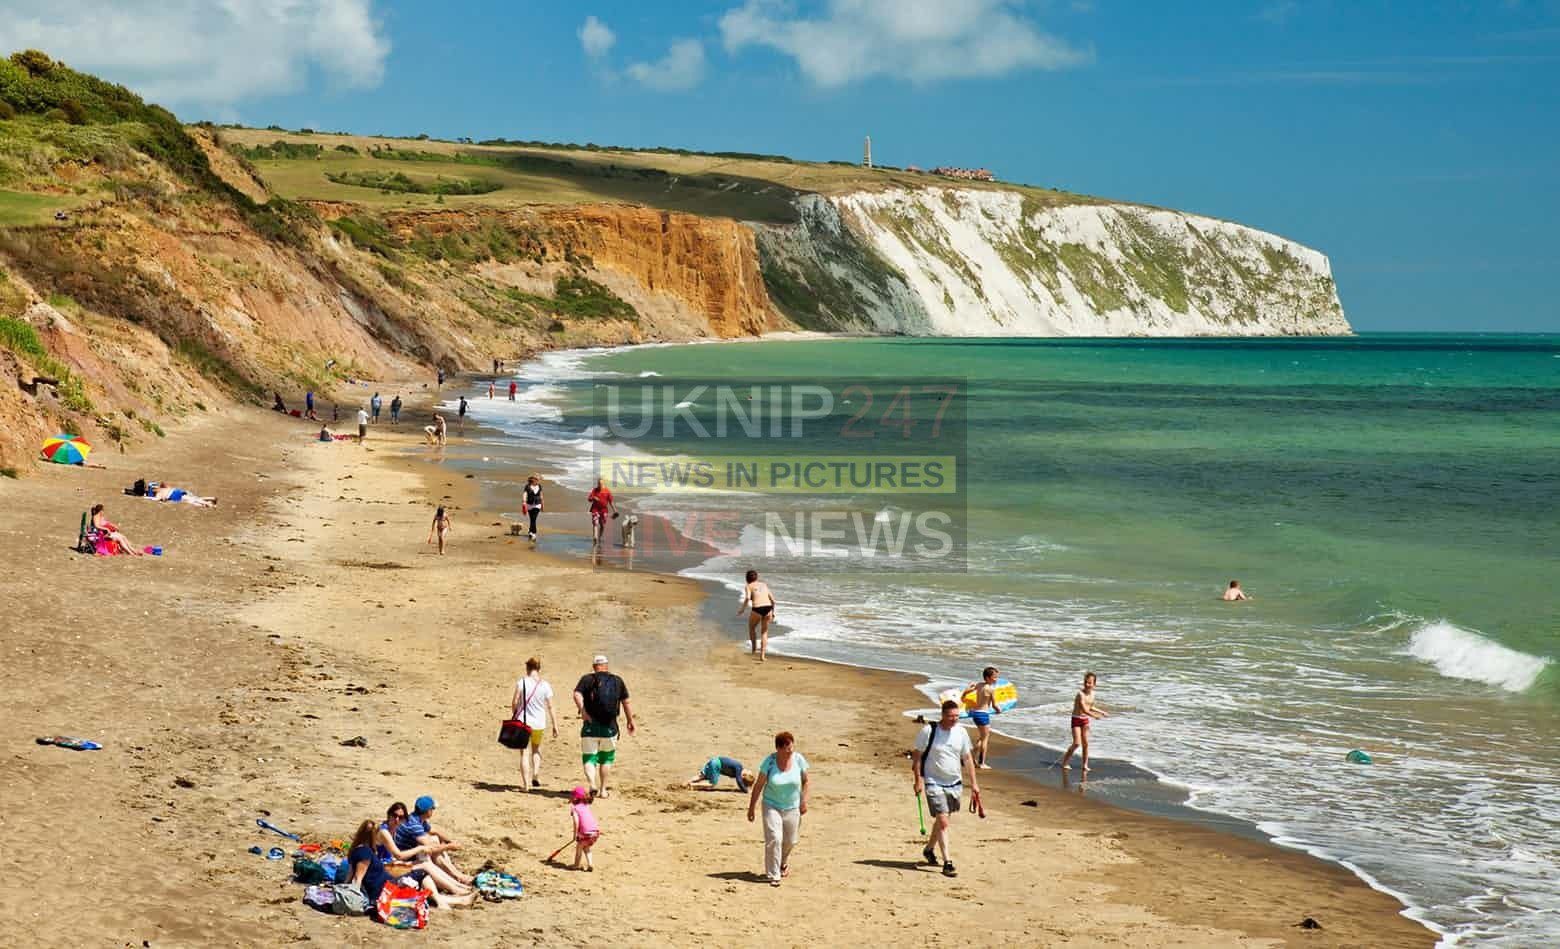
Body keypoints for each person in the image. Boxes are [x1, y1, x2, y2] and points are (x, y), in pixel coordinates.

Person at [912, 699, 980, 878]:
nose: (954, 720)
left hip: (954, 783)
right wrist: (918, 780)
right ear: (942, 715)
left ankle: (928, 849)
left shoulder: (962, 732)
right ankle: (947, 862)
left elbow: (967, 759)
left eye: (957, 716)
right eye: (950, 716)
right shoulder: (929, 731)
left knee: (942, 821)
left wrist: (974, 784)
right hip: (933, 781)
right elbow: (917, 757)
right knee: (943, 821)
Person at [348, 819, 471, 911]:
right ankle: (444, 901)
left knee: (417, 894)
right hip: (383, 891)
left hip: (386, 886)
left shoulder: (359, 851)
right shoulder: (364, 853)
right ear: (372, 836)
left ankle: (460, 900)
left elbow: (349, 876)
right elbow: (357, 879)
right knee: (422, 874)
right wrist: (353, 900)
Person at [747, 731, 809, 887]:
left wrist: (803, 801)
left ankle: (783, 862)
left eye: (791, 746)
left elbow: (806, 781)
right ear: (778, 749)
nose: (790, 751)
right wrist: (751, 807)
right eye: (787, 748)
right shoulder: (769, 762)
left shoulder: (799, 760)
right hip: (771, 804)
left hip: (792, 806)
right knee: (775, 838)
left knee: (790, 841)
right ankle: (773, 874)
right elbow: (759, 785)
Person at [376, 802, 472, 897]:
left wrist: (449, 842)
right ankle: (456, 887)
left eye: (400, 817)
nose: (397, 820)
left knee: (428, 857)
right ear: (389, 815)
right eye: (394, 815)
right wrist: (422, 848)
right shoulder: (385, 831)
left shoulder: (395, 827)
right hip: (386, 868)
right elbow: (399, 855)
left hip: (392, 863)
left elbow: (434, 833)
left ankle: (457, 885)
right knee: (425, 864)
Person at [573, 655, 635, 799]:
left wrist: (583, 711)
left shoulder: (587, 679)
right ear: (607, 666)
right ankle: (603, 790)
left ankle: (592, 784)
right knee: (606, 759)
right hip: (610, 727)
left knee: (589, 758)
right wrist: (630, 721)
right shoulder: (617, 681)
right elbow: (626, 702)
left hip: (590, 726)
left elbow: (576, 694)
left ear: (594, 667)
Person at [395, 796, 474, 886]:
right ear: (428, 811)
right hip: (406, 856)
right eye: (432, 809)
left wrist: (450, 841)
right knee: (435, 848)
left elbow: (434, 831)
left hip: (411, 849)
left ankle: (454, 873)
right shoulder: (414, 826)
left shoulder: (416, 817)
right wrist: (449, 846)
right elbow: (432, 849)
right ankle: (456, 876)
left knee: (435, 839)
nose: (433, 811)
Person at [511, 657, 558, 790]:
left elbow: (514, 702)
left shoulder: (522, 683)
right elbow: (550, 706)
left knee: (524, 753)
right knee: (536, 749)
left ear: (527, 669)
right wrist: (555, 725)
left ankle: (526, 785)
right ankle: (536, 775)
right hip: (539, 723)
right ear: (539, 669)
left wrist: (515, 714)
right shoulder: (545, 685)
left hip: (524, 722)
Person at [1059, 671, 1109, 773]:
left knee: (1086, 743)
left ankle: (1085, 765)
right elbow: (1084, 709)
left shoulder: (1093, 694)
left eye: (1090, 683)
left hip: (1085, 720)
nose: (1087, 684)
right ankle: (1065, 762)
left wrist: (1102, 712)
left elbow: (1090, 707)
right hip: (1076, 719)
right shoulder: (1080, 694)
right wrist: (1094, 716)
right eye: (1086, 682)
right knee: (1077, 743)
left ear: (1094, 684)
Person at [965, 666, 1002, 769]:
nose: (996, 679)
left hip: (975, 714)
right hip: (983, 715)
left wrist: (968, 687)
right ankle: (982, 763)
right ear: (988, 677)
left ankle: (972, 757)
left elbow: (967, 691)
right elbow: (994, 705)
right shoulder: (991, 689)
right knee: (985, 739)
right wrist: (998, 710)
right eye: (994, 677)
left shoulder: (979, 685)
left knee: (982, 737)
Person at [737, 570, 777, 662]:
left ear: (747, 579)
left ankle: (754, 649)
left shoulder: (748, 586)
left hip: (757, 608)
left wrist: (742, 609)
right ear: (757, 577)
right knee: (764, 632)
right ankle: (762, 656)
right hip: (768, 608)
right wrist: (773, 612)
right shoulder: (764, 585)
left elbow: (747, 598)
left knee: (751, 628)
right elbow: (773, 600)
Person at [569, 786, 600, 871]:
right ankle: (590, 864)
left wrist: (575, 835)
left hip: (585, 833)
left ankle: (576, 865)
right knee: (586, 847)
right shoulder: (586, 806)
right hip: (595, 832)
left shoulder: (575, 808)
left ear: (575, 798)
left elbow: (576, 822)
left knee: (579, 847)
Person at [688, 755, 753, 791]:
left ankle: (687, 783)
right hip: (716, 764)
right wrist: (745, 790)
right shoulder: (739, 767)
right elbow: (739, 781)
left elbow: (739, 780)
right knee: (712, 784)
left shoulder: (738, 771)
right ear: (744, 775)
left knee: (701, 776)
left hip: (714, 760)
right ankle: (692, 785)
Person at [587, 478, 617, 547]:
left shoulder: (607, 491)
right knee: (595, 523)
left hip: (604, 510)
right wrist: (593, 497)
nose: (600, 485)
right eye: (599, 484)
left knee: (602, 525)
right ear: (597, 484)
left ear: (603, 484)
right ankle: (595, 537)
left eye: (601, 484)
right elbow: (589, 499)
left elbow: (611, 502)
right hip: (595, 509)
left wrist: (615, 511)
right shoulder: (595, 490)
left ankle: (599, 538)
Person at [522, 475, 543, 540]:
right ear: (533, 479)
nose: (538, 481)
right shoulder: (527, 486)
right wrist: (524, 502)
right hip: (529, 505)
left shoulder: (539, 486)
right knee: (532, 519)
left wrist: (542, 504)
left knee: (534, 519)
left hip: (537, 505)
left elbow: (541, 495)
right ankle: (530, 531)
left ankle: (534, 533)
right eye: (537, 479)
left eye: (539, 479)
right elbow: (525, 494)